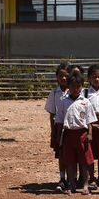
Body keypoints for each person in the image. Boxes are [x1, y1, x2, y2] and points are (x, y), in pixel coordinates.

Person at [58, 72, 97, 195]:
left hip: (82, 135)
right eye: (73, 86)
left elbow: (90, 120)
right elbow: (59, 119)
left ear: (82, 86)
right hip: (68, 134)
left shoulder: (86, 102)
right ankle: (72, 185)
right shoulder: (63, 102)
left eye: (78, 86)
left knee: (84, 162)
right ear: (68, 86)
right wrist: (58, 135)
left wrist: (89, 134)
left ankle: (85, 185)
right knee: (70, 161)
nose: (75, 89)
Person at [43, 62, 69, 191]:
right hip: (60, 127)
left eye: (66, 75)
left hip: (74, 127)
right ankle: (62, 178)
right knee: (62, 154)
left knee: (75, 154)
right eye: (60, 75)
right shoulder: (54, 93)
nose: (63, 78)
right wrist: (53, 131)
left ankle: (74, 178)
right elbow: (52, 113)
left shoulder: (76, 90)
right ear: (56, 77)